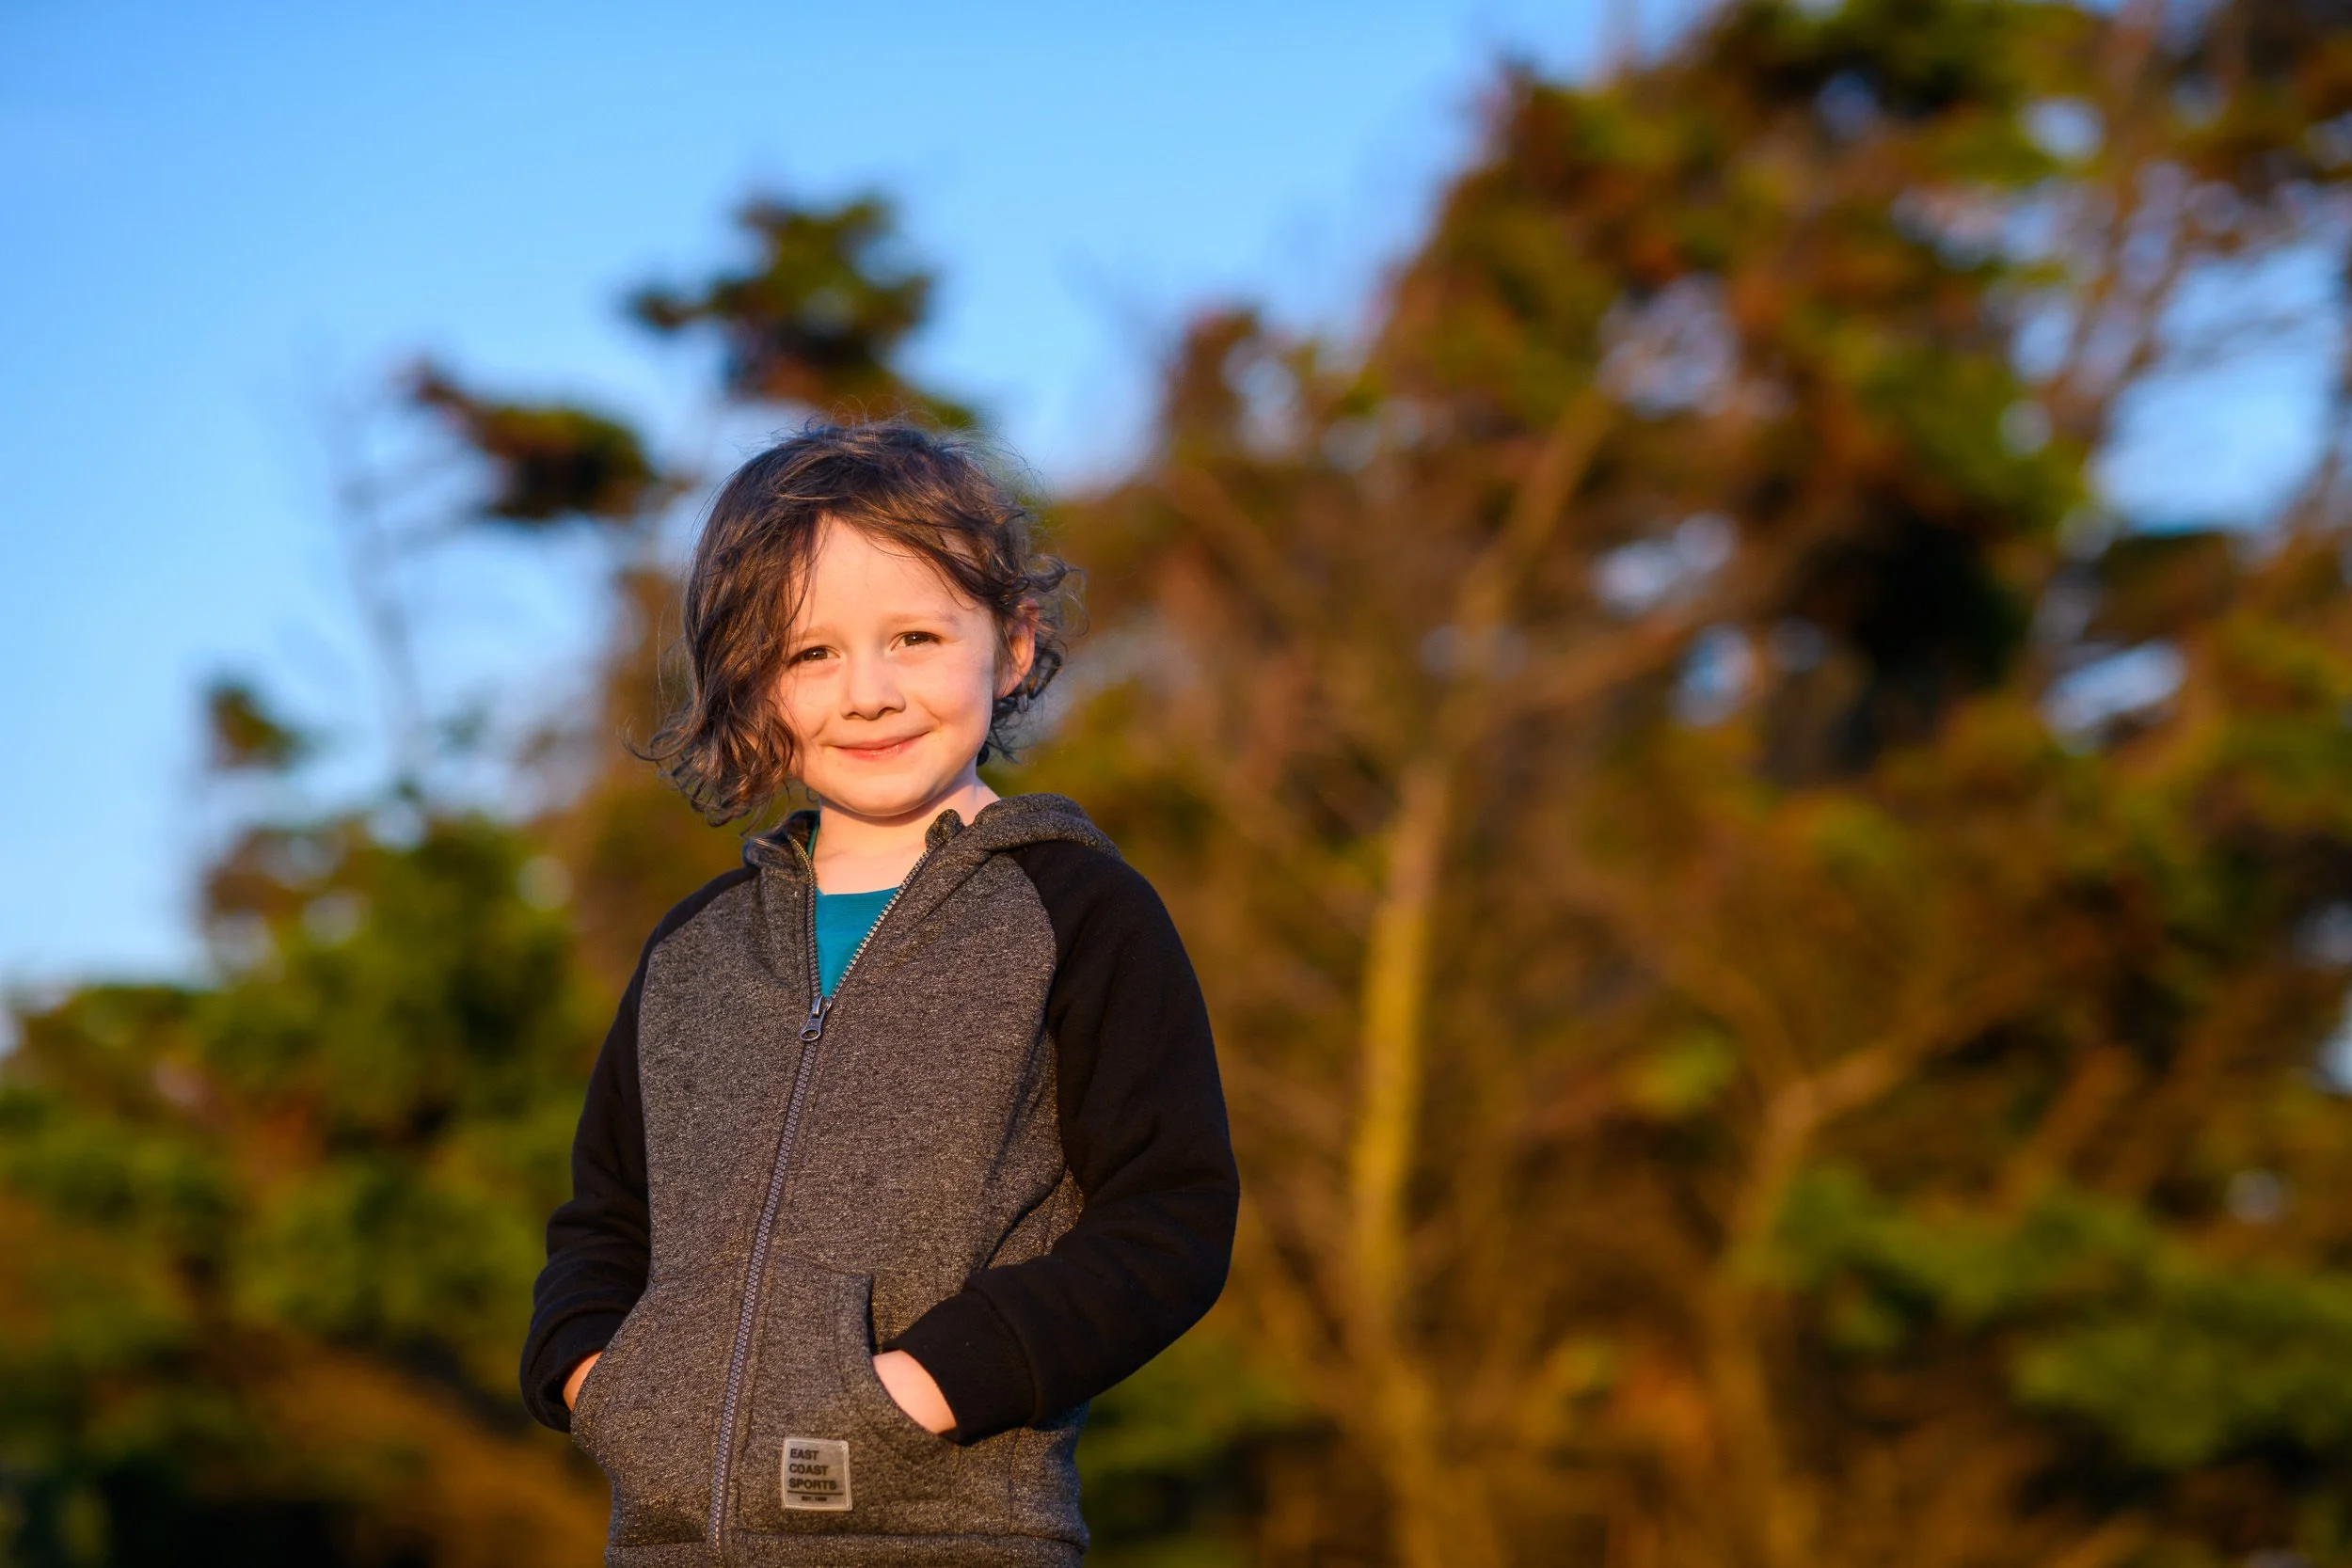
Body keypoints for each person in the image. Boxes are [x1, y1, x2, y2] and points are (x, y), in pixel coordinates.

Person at [518, 420, 1239, 1566]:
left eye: (912, 635)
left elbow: (1171, 1219)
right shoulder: (692, 954)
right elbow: (605, 1218)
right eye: (809, 654)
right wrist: (596, 1375)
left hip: (948, 1533)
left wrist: (925, 1385)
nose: (867, 691)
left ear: (1010, 644)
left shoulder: (1084, 914)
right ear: (749, 685)